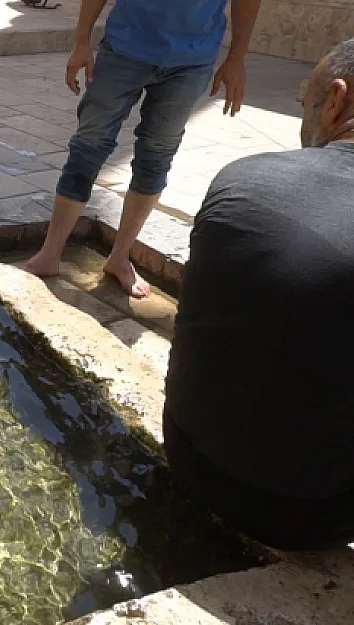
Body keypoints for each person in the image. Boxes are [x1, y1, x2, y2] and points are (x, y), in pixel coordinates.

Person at [163, 38, 354, 550]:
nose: (306, 120)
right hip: (310, 514)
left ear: (336, 102)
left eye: (306, 105)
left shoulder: (243, 177)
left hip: (185, 450)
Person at [23, 0, 261, 298]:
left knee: (157, 156)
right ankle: (50, 253)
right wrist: (81, 41)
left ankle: (120, 257)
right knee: (89, 146)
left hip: (191, 61)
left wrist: (236, 58)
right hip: (125, 49)